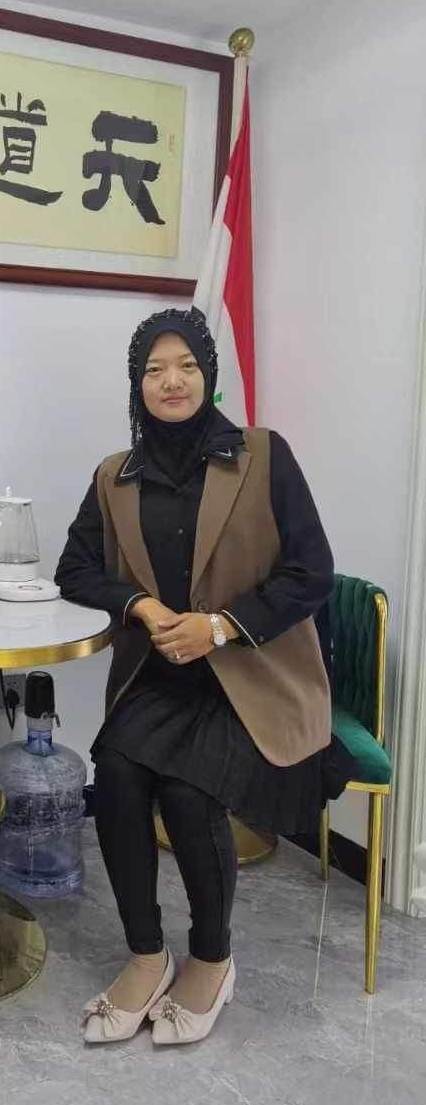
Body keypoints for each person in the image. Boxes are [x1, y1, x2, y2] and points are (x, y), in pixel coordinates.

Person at [56, 307, 352, 1047]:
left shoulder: (262, 454)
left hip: (253, 677)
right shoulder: (114, 476)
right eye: (153, 369)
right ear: (137, 384)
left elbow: (312, 572)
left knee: (189, 793)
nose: (171, 381)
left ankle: (213, 961)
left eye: (185, 365)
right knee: (116, 778)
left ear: (209, 374)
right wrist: (141, 604)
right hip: (162, 679)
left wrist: (219, 626)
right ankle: (147, 955)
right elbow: (75, 569)